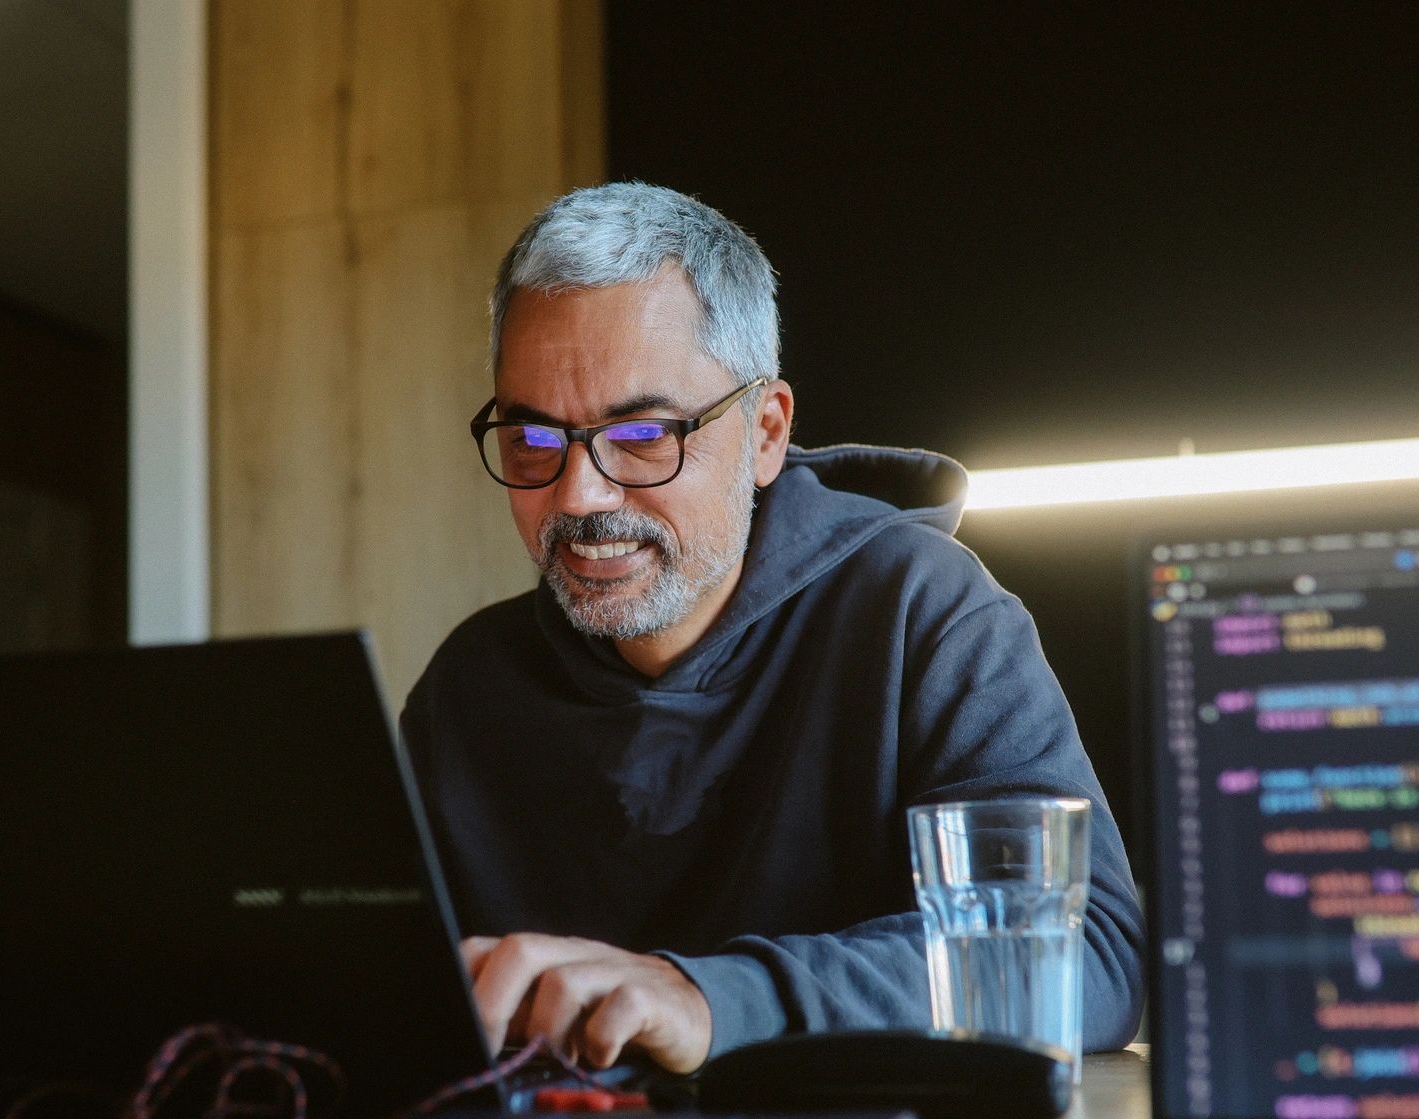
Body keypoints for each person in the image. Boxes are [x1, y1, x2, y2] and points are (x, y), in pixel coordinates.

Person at [401, 182, 1142, 1074]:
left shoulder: (921, 614)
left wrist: (712, 999)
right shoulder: (471, 684)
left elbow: (1083, 960)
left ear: (764, 430)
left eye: (641, 433)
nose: (578, 497)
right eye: (533, 440)